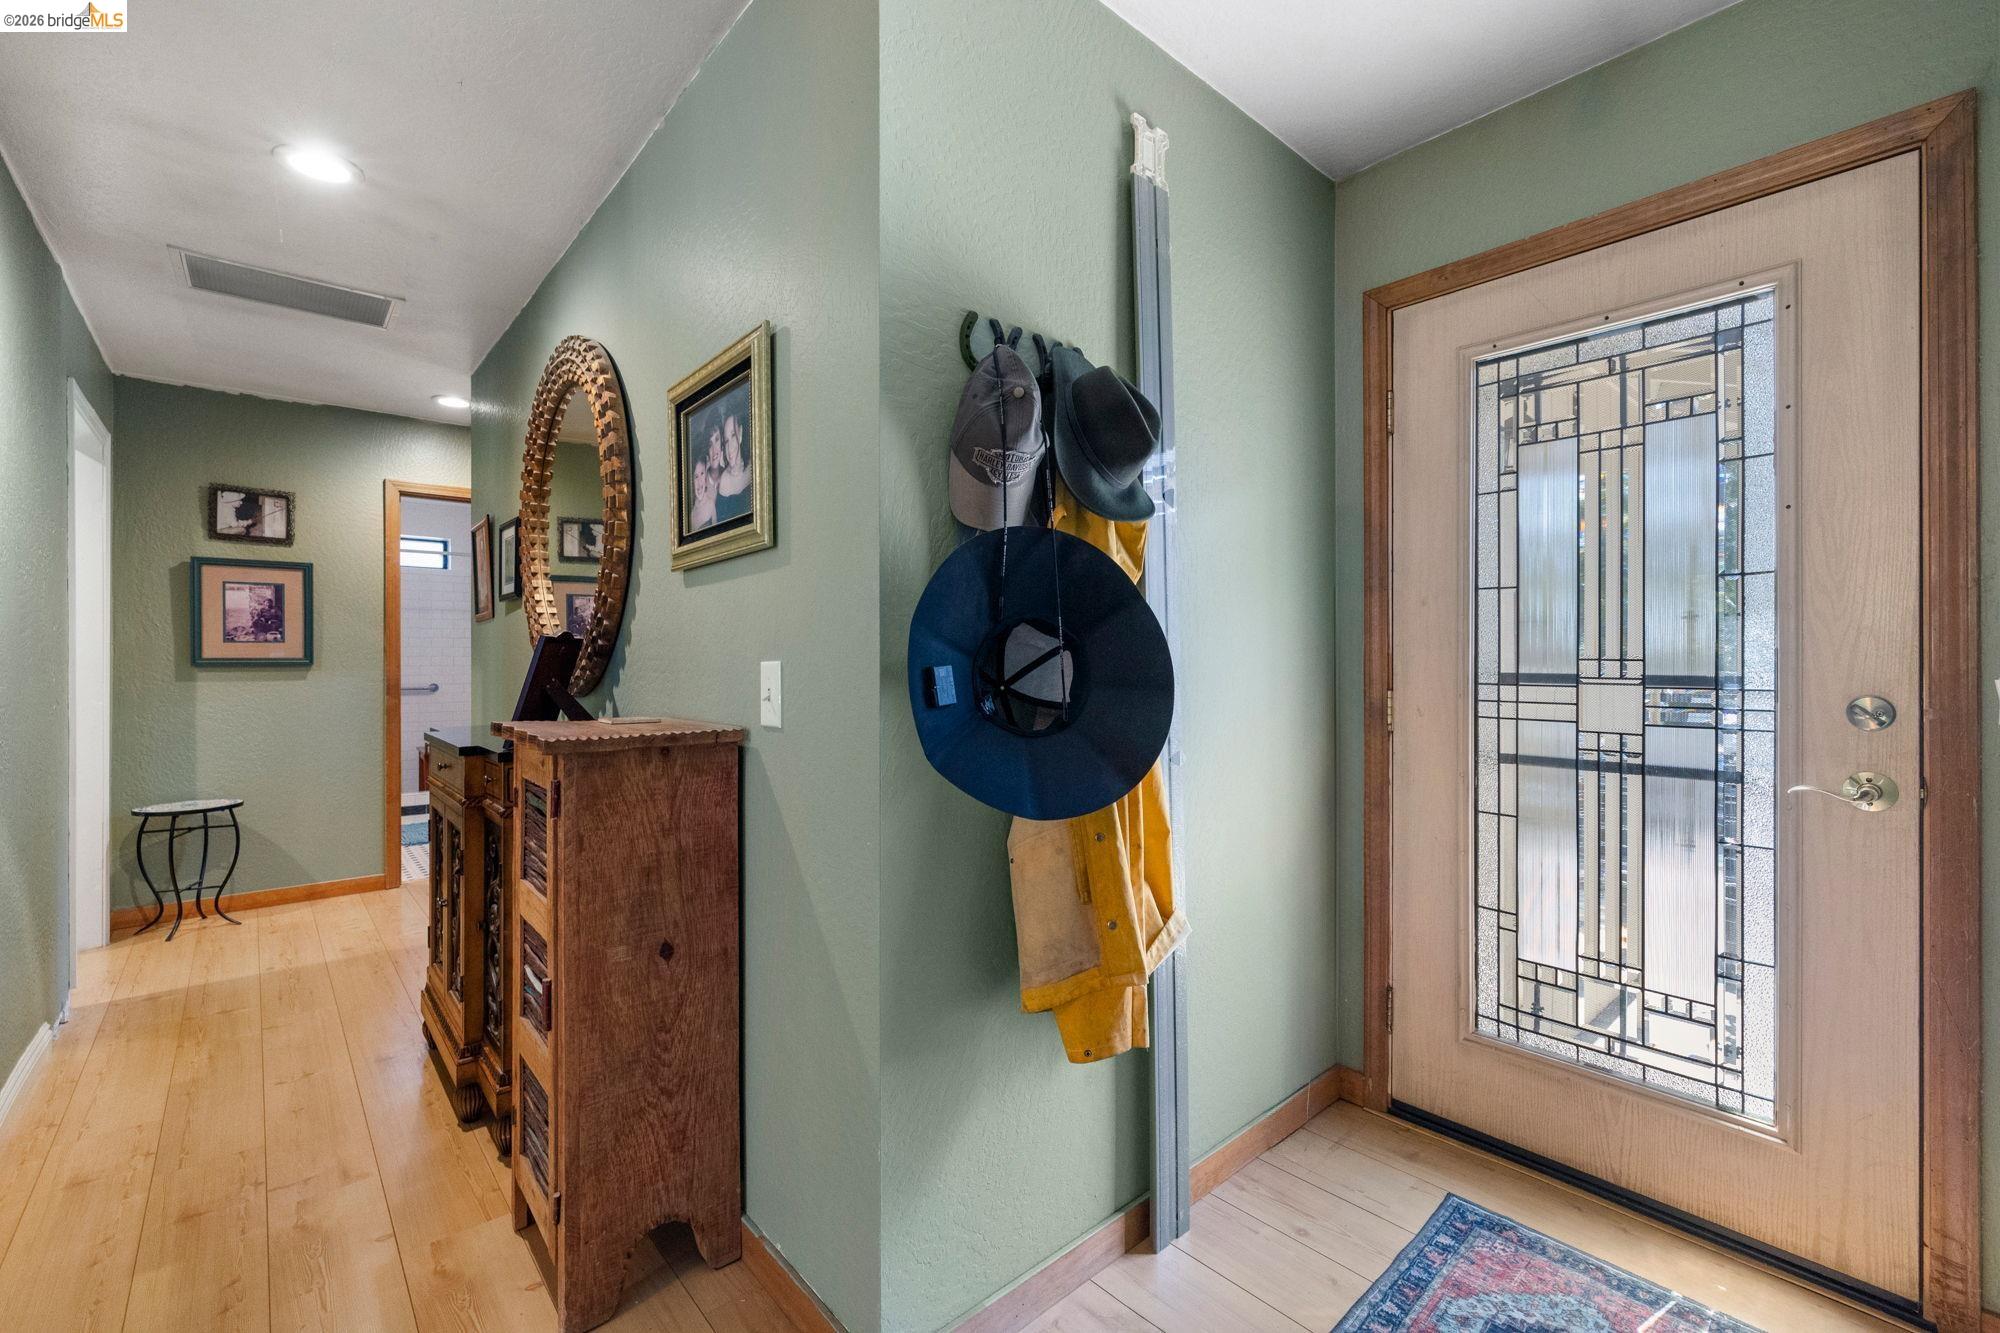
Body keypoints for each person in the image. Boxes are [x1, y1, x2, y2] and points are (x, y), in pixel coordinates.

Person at [714, 410, 752, 523]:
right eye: (726, 441)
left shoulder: (753, 468)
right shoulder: (723, 481)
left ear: (740, 433)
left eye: (733, 436)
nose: (729, 447)